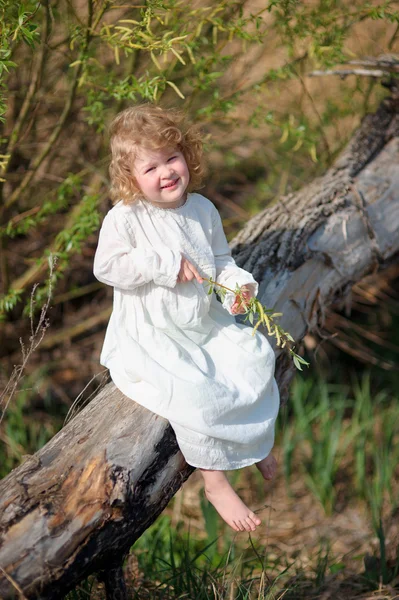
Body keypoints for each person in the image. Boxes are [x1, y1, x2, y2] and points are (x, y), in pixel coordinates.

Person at [93, 104, 280, 533]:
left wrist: (237, 286)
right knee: (195, 393)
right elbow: (107, 267)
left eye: (171, 158)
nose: (166, 173)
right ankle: (215, 482)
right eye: (151, 167)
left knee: (253, 359)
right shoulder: (126, 217)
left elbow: (219, 260)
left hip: (200, 319)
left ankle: (254, 443)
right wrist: (162, 263)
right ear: (131, 178)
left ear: (187, 155)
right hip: (154, 330)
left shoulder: (202, 210)